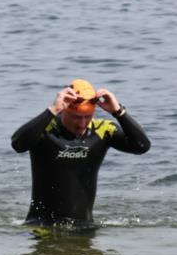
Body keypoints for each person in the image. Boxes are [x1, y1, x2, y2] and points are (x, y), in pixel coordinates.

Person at [11, 79, 150, 227]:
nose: (82, 123)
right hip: (42, 226)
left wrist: (118, 112)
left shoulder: (103, 130)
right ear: (64, 109)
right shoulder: (46, 130)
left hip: (84, 227)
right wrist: (52, 109)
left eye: (87, 116)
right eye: (76, 117)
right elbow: (18, 144)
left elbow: (142, 146)